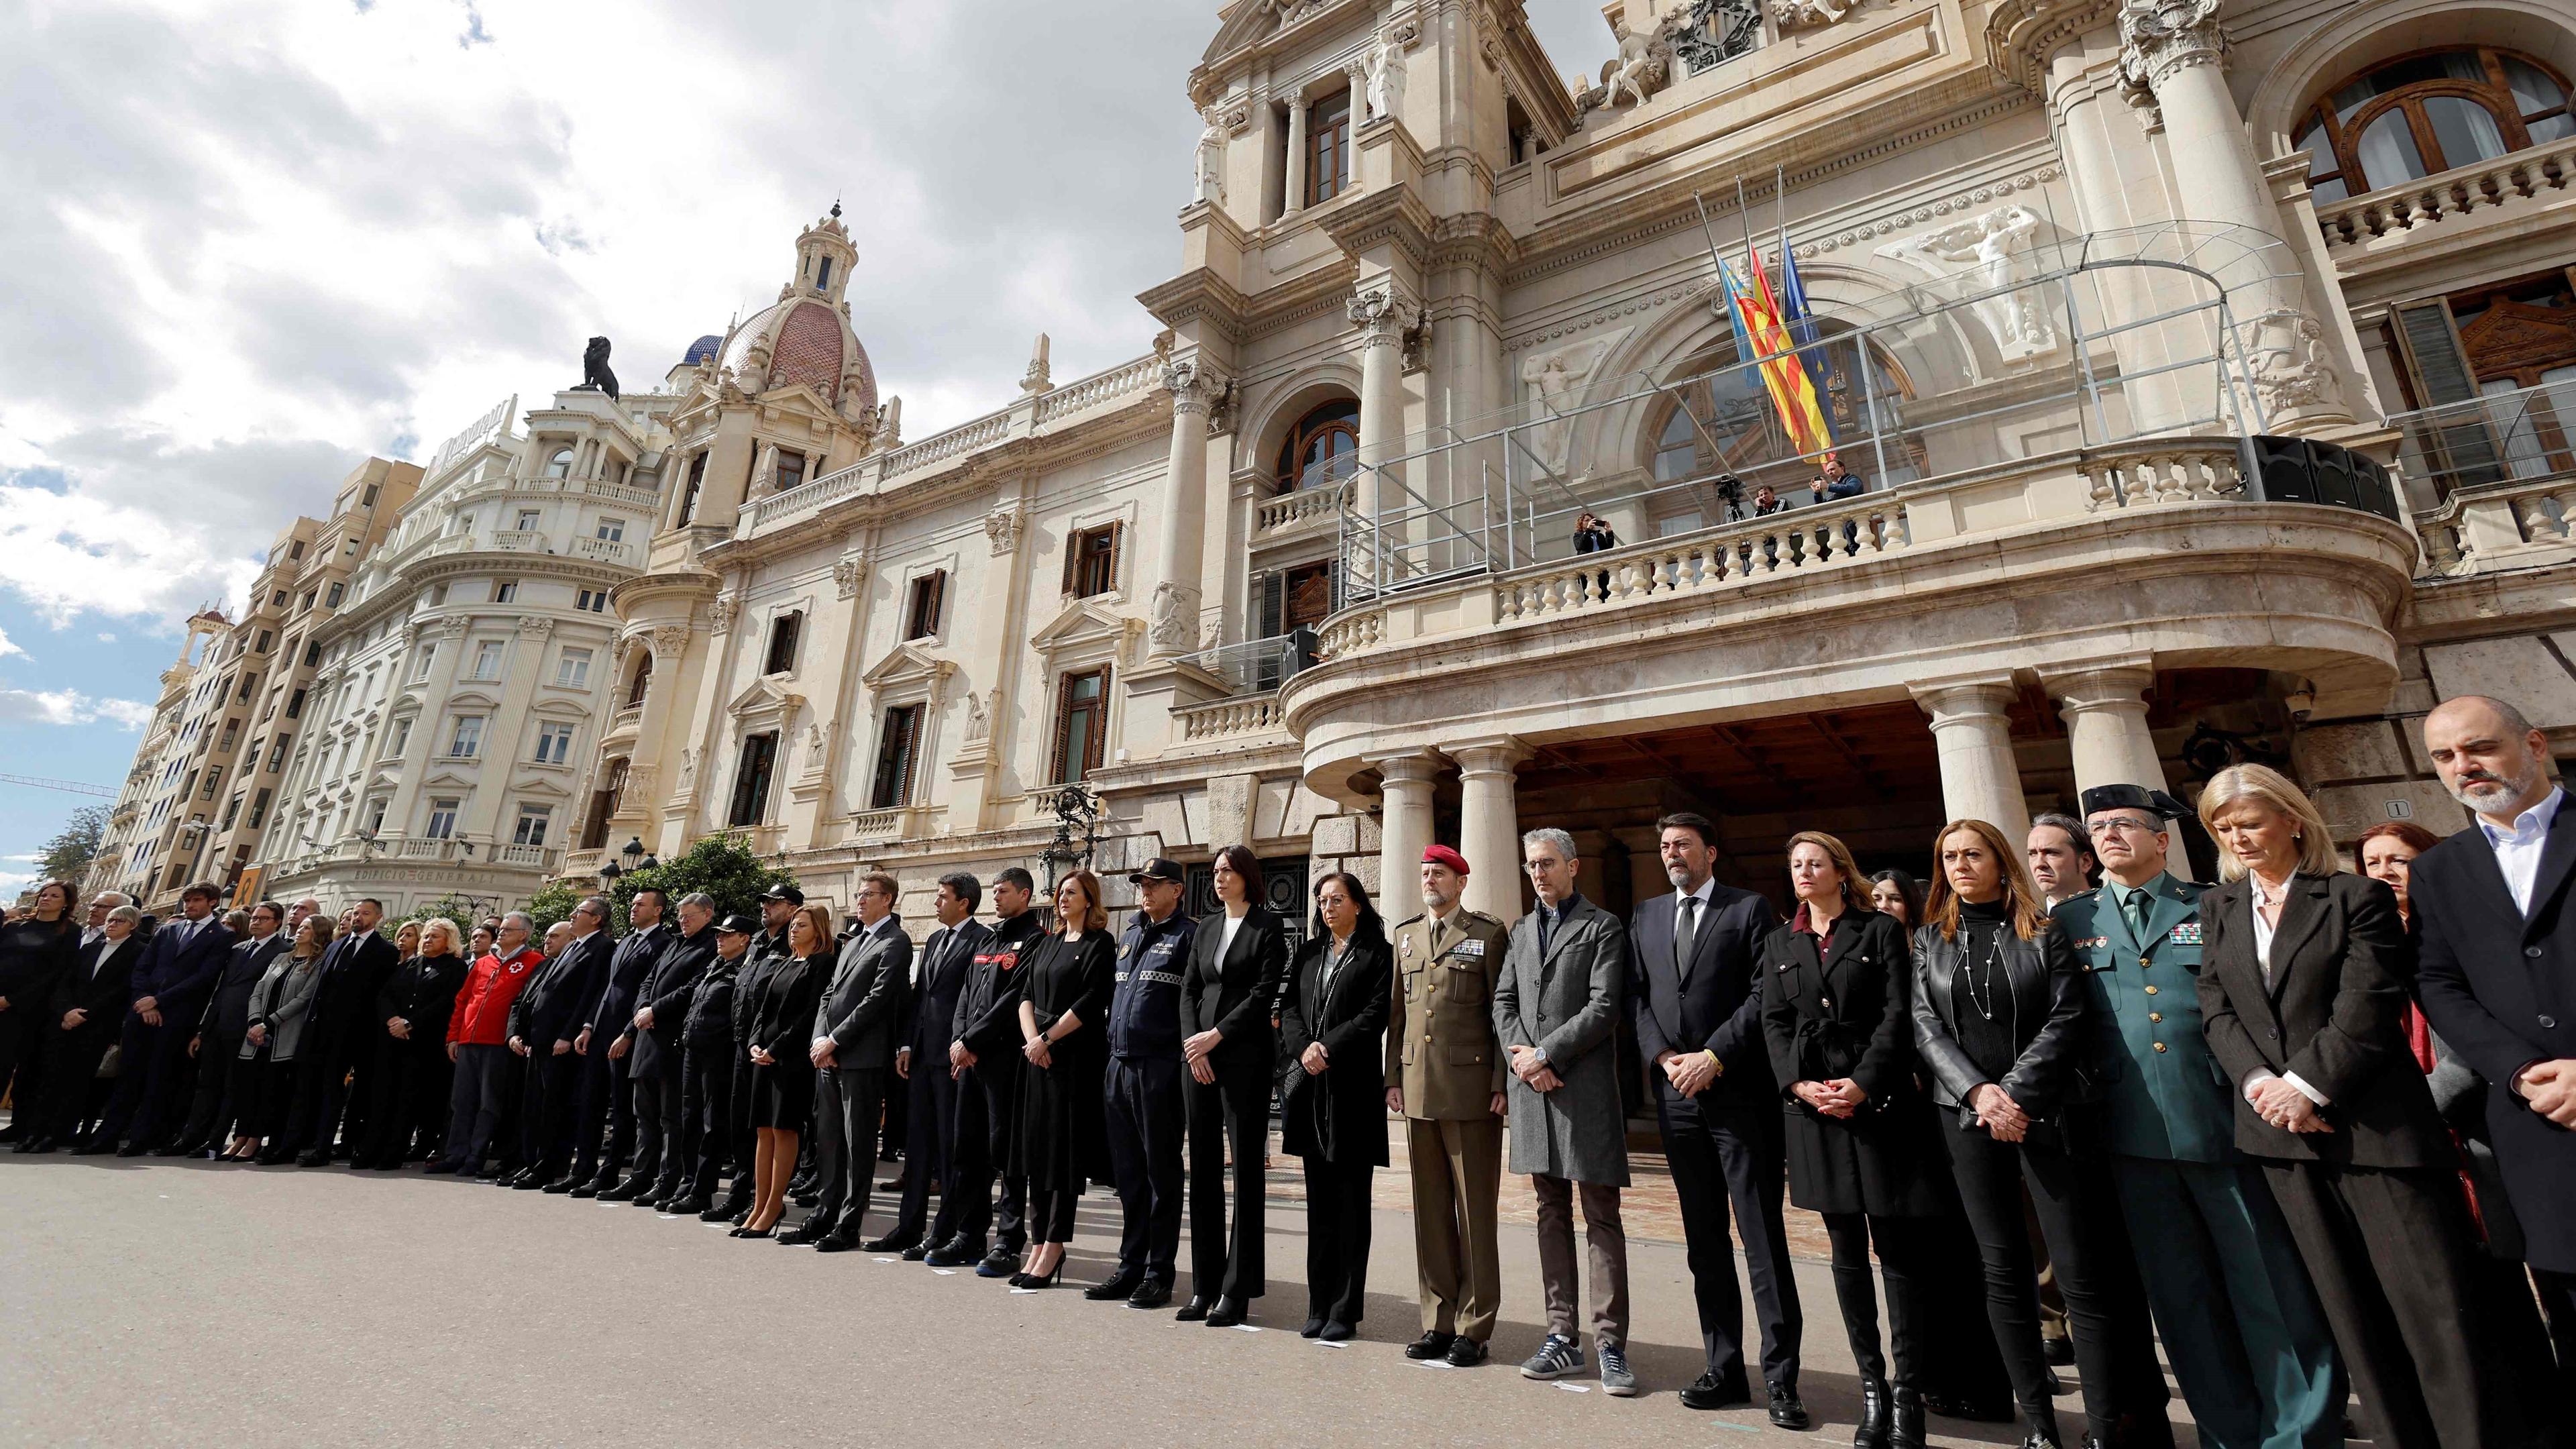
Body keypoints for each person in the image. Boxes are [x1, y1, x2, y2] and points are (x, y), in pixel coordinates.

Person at [2057, 785, 2340, 1449]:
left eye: (2125, 824)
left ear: (2162, 840)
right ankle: (2228, 1434)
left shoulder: (2215, 906)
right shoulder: (2071, 922)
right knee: (2184, 1306)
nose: (2109, 835)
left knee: (2271, 1290)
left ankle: (2299, 1432)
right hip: (2134, 1139)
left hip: (2228, 1126)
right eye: (2097, 827)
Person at [1911, 816, 2145, 1449]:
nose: (1961, 866)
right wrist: (1981, 1093)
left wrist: (2014, 1092)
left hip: (2048, 1113)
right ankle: (2041, 1425)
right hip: (1966, 1116)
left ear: (1998, 861)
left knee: (2078, 1274)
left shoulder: (2044, 931)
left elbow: (2068, 1016)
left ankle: (2101, 1430)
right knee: (2002, 1270)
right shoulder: (1929, 939)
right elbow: (1926, 1026)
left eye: (1973, 854)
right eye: (1950, 856)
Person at [2404, 700, 2576, 1430]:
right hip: (2534, 1119)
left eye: (2479, 747)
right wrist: (2517, 1070)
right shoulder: (2440, 870)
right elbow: (2437, 983)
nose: (2463, 767)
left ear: (2534, 745)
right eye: (2445, 757)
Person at [1761, 831, 1950, 1449]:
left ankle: (1909, 1397)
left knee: (1897, 1255)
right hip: (1815, 1110)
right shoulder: (1779, 941)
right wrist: (1798, 1084)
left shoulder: (1878, 932)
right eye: (1795, 865)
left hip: (1880, 1104)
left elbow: (1900, 1015)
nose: (1804, 872)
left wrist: (1862, 1083)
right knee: (1846, 1255)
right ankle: (1873, 1389)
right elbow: (1775, 1020)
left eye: (1814, 863)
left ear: (1841, 871)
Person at [1626, 812, 1809, 1422]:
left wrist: (1712, 1056)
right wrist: (1665, 1057)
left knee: (1760, 1237)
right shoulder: (1648, 914)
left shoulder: (1748, 909)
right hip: (1676, 1098)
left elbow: (1764, 995)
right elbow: (1639, 996)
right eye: (1664, 846)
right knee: (1704, 1241)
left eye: (1682, 845)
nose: (1672, 853)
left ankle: (1782, 1377)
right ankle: (1723, 1366)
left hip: (1737, 1096)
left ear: (1711, 853)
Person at [1497, 828, 1635, 1395]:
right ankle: (1561, 1336)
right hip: (1535, 1093)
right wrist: (1527, 1062)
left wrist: (1548, 1054)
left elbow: (1605, 1006)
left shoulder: (1601, 927)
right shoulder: (1521, 929)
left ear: (1573, 867)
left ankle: (1609, 1344)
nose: (1538, 873)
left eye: (1548, 863)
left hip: (1585, 1094)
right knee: (1549, 1212)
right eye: (1531, 865)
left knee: (1600, 1216)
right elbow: (1504, 1003)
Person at [1387, 844, 1513, 1369]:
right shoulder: (1406, 934)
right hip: (1417, 1089)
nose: (1430, 879)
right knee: (1430, 1213)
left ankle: (1474, 1327)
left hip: (1470, 1091)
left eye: (1439, 873)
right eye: (1424, 873)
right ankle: (1437, 1319)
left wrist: (1502, 1079)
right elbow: (1399, 1013)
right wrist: (1391, 1077)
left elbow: (1503, 1011)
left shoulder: (1487, 934)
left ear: (1462, 881)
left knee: (1475, 1214)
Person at [1280, 870, 1390, 1340]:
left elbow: (1375, 1014)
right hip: (1311, 1091)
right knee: (1319, 1206)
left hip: (1352, 1091)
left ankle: (1344, 1310)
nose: (1327, 907)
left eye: (1337, 899)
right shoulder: (1308, 954)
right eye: (1322, 900)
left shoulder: (1377, 955)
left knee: (1350, 1206)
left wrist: (1328, 1048)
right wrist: (1304, 1046)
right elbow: (1287, 1010)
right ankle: (1317, 1304)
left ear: (1358, 905)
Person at [1180, 845, 1287, 1325]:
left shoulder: (1269, 926)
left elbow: (1264, 993)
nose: (1219, 878)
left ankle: (1236, 1290)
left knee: (1245, 1172)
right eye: (1215, 872)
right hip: (1198, 1060)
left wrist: (1216, 1037)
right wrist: (1192, 1045)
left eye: (1228, 871)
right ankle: (1203, 1285)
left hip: (1243, 1057)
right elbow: (1189, 990)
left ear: (1247, 876)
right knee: (1201, 1170)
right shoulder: (1204, 927)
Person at [787, 872, 909, 1250]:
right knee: (829, 1141)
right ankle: (824, 1213)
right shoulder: (854, 940)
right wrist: (820, 1037)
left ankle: (848, 1223)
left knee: (858, 1144)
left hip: (862, 1056)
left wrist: (836, 1040)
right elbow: (829, 995)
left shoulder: (895, 942)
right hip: (829, 1056)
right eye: (858, 894)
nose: (859, 900)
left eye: (868, 894)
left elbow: (878, 999)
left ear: (887, 900)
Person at [1091, 858, 1193, 1308]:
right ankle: (1130, 1265)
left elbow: (1190, 1004)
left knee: (1160, 1175)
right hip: (1119, 1066)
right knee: (1128, 1177)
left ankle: (1159, 1273)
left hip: (1160, 1067)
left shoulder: (1188, 936)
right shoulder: (1129, 935)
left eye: (1155, 885)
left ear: (1178, 890)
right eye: (1141, 884)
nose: (1145, 891)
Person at [1010, 869, 1117, 1289]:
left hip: (1071, 1061)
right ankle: (1037, 1243)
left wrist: (1049, 1039)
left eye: (1071, 892)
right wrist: (1033, 1040)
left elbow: (1093, 1000)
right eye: (1059, 893)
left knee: (1063, 1157)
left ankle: (1055, 1244)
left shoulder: (1099, 944)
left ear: (1089, 899)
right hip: (1036, 1058)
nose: (1062, 898)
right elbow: (1025, 996)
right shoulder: (1047, 942)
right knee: (1037, 1155)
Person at [879, 873, 987, 1256]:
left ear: (965, 902)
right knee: (918, 1146)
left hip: (954, 1058)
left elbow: (976, 998)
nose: (936, 903)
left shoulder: (982, 939)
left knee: (949, 1148)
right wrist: (907, 1043)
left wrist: (965, 1043)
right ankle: (908, 1226)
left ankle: (946, 1230)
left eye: (943, 897)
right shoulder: (937, 940)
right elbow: (920, 995)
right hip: (922, 1055)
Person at [945, 867, 1044, 1273]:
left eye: (1003, 892)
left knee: (1006, 1154)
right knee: (968, 1150)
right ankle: (969, 1234)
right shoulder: (987, 938)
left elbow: (1013, 1003)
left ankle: (1008, 1241)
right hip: (969, 1061)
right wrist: (959, 1041)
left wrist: (972, 1042)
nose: (996, 898)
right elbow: (967, 993)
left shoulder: (1036, 940)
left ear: (1024, 894)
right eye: (994, 891)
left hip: (1004, 1063)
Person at [88, 881, 234, 1155]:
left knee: (158, 1081)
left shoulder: (221, 936)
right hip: (142, 1015)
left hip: (177, 1018)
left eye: (197, 900)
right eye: (187, 900)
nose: (190, 905)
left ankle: (141, 1140)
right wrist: (145, 1003)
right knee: (127, 1078)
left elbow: (204, 978)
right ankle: (105, 1137)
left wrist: (160, 1001)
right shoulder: (168, 930)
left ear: (212, 902)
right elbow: (143, 968)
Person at [574, 888, 674, 1197]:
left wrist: (629, 1032)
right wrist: (589, 1024)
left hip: (630, 1037)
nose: (633, 908)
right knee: (590, 1103)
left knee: (623, 1111)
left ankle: (612, 1173)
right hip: (601, 1031)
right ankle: (583, 1170)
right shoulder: (625, 942)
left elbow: (649, 992)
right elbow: (607, 988)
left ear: (657, 911)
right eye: (632, 904)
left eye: (641, 905)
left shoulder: (664, 944)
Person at [737, 903, 829, 1238]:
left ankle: (775, 1204)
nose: (794, 930)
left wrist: (776, 1050)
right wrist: (755, 1044)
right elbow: (764, 1010)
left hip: (790, 1060)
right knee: (763, 1130)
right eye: (793, 925)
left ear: (819, 931)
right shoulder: (787, 962)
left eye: (802, 925)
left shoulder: (822, 964)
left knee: (783, 1129)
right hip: (764, 1056)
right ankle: (760, 1205)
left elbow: (809, 1015)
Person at [616, 892, 713, 1209]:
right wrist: (642, 1008)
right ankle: (641, 1176)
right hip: (648, 1038)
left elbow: (694, 988)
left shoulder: (709, 945)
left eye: (690, 916)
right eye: (681, 915)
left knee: (672, 1118)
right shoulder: (673, 943)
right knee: (644, 1115)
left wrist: (655, 1010)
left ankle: (668, 1180)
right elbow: (648, 981)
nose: (683, 921)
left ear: (708, 915)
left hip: (673, 1040)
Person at [284, 898, 398, 1166]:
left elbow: (380, 995)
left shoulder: (385, 951)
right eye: (356, 912)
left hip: (354, 1035)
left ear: (378, 918)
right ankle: (290, 1146)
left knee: (333, 1093)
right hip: (319, 1030)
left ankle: (323, 1149)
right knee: (305, 1090)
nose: (358, 917)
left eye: (365, 913)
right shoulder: (335, 946)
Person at [428, 913, 543, 1176]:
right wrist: (454, 1036)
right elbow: (463, 1000)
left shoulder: (534, 962)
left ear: (523, 935)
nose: (500, 933)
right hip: (469, 1040)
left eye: (507, 930)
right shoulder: (483, 962)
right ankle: (456, 1153)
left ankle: (476, 1155)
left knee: (488, 1104)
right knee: (462, 1101)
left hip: (498, 1044)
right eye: (500, 929)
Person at [506, 898, 610, 1190]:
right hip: (539, 1040)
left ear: (597, 920)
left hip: (561, 1041)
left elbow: (588, 995)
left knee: (555, 1108)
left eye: (579, 913)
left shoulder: (600, 948)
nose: (573, 915)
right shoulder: (573, 947)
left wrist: (568, 1033)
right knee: (535, 1107)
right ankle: (532, 1164)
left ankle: (548, 1167)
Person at [24, 904, 145, 1152]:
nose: (111, 925)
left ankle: (57, 1133)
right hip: (65, 1021)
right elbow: (65, 982)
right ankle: (35, 1131)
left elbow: (120, 991)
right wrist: (66, 1010)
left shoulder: (138, 952)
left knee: (76, 1082)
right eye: (110, 920)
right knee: (50, 1078)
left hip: (96, 1026)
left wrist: (85, 1014)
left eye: (119, 921)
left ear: (132, 925)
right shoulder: (91, 948)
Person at [176, 901, 288, 1157]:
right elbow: (220, 990)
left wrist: (258, 1024)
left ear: (277, 922)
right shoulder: (237, 949)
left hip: (247, 1029)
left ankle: (215, 1142)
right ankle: (191, 1137)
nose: (256, 922)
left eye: (264, 918)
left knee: (233, 1088)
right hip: (218, 1026)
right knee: (207, 1086)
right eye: (255, 917)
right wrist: (204, 1029)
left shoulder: (283, 951)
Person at [719, 884, 802, 1224]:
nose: (766, 907)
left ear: (795, 908)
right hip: (745, 1043)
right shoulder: (757, 944)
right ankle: (745, 1194)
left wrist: (765, 1042)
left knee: (771, 1127)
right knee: (744, 1123)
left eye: (774, 902)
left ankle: (762, 1198)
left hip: (774, 1049)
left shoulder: (793, 946)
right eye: (765, 902)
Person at [358, 918, 468, 1170]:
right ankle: (370, 1149)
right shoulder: (409, 965)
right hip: (393, 1039)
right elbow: (385, 994)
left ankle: (393, 1152)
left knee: (408, 1100)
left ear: (448, 941)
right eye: (426, 936)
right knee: (382, 1096)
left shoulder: (455, 968)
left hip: (423, 1043)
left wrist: (411, 1022)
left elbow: (446, 1002)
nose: (428, 941)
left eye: (435, 937)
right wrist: (393, 1019)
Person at [240, 915, 331, 1163]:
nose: (300, 930)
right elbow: (258, 990)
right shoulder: (281, 958)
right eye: (300, 927)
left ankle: (259, 1140)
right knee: (251, 1087)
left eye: (307, 928)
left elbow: (303, 999)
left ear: (319, 933)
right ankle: (243, 1136)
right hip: (257, 1033)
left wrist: (268, 1023)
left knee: (273, 1091)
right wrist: (254, 1022)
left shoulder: (318, 962)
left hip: (284, 1035)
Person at [679, 914, 753, 1216]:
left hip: (718, 1054)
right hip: (693, 1050)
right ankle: (688, 1183)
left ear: (744, 939)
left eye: (727, 934)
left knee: (712, 1125)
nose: (719, 938)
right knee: (689, 1119)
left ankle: (702, 1190)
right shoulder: (716, 965)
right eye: (719, 934)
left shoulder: (743, 971)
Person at [0, 880, 79, 1143]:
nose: (46, 899)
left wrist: (12, 1000)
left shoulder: (69, 932)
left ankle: (22, 1127)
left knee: (13, 1069)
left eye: (54, 896)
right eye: (44, 894)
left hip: (30, 1011)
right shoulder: (14, 927)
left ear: (66, 902)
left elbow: (55, 975)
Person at [2029, 813, 2096, 911]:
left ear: (2085, 862)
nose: (2039, 864)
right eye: (2032, 854)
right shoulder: (2028, 925)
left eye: (2051, 853)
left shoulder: (2115, 913)